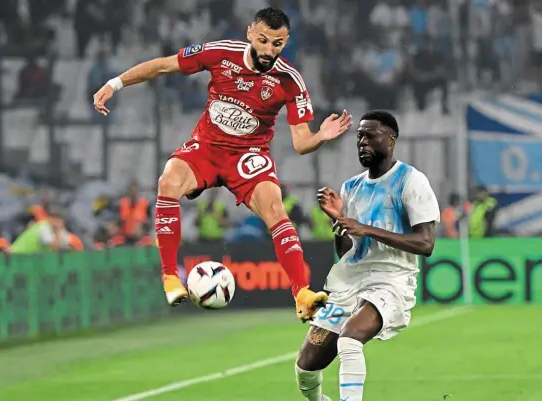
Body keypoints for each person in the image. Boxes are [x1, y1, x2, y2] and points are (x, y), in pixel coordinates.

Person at [92, 7, 352, 321]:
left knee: (275, 209)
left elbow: (301, 143)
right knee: (168, 181)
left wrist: (321, 135)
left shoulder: (289, 80)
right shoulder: (220, 53)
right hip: (207, 147)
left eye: (278, 44)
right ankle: (171, 277)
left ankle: (302, 294)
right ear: (250, 34)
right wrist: (115, 84)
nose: (269, 50)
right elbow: (162, 67)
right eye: (264, 40)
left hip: (248, 155)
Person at [294, 110, 440, 401]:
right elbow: (347, 251)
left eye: (370, 135)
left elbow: (426, 244)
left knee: (349, 339)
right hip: (349, 284)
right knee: (305, 368)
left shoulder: (410, 181)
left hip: (391, 281)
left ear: (390, 139)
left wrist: (366, 228)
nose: (362, 142)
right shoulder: (351, 187)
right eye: (359, 136)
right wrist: (339, 223)